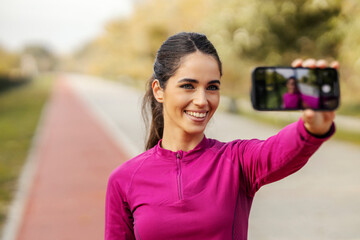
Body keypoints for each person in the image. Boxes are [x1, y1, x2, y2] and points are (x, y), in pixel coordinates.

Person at [105, 32, 337, 240]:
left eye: (212, 87)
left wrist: (311, 128)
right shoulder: (124, 180)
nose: (202, 100)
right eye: (188, 86)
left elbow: (280, 150)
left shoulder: (237, 161)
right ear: (159, 90)